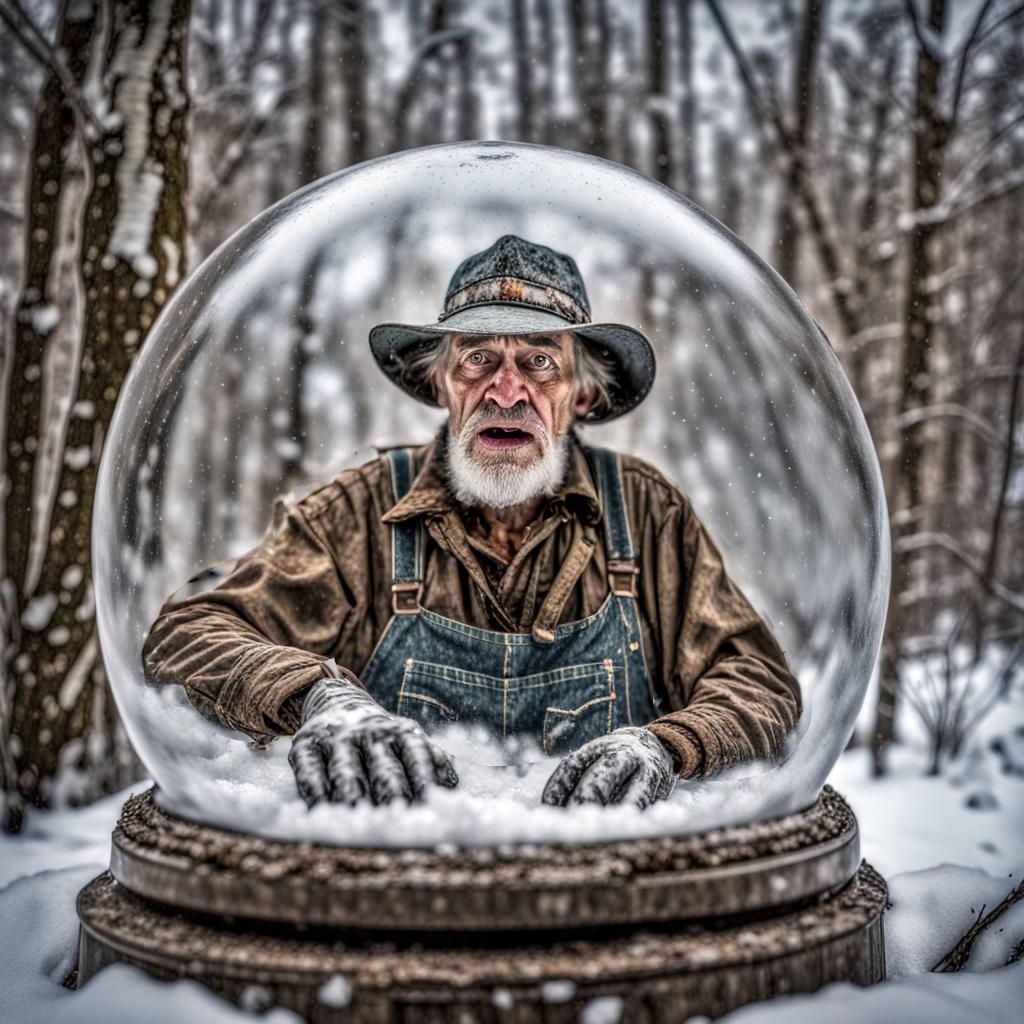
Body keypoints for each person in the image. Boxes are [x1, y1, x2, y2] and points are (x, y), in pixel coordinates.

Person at [142, 234, 801, 811]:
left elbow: (758, 681)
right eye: (477, 358)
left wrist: (669, 744)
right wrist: (319, 698)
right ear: (441, 385)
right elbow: (187, 632)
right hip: (402, 900)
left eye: (540, 361)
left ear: (584, 394)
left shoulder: (648, 515)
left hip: (609, 902)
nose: (505, 391)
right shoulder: (360, 514)